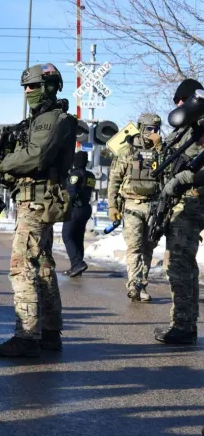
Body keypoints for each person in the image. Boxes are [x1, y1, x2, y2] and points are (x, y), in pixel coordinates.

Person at [0, 63, 75, 358]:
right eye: (25, 87)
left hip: (36, 203)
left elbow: (37, 156)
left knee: (22, 268)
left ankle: (27, 336)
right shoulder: (39, 120)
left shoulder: (52, 119)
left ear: (49, 86)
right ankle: (49, 333)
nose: (28, 92)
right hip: (34, 200)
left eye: (33, 86)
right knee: (43, 267)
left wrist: (2, 164)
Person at [154, 78, 204, 345]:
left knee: (178, 264)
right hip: (180, 201)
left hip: (191, 201)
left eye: (182, 100)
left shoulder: (200, 124)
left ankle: (183, 326)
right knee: (183, 264)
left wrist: (182, 179)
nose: (178, 106)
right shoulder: (185, 129)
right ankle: (185, 323)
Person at [107, 113, 163, 303]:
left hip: (154, 206)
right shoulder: (127, 151)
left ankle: (142, 284)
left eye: (156, 129)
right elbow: (114, 180)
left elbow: (169, 174)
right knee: (134, 246)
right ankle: (133, 283)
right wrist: (113, 206)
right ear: (140, 128)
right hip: (132, 205)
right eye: (149, 129)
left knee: (148, 248)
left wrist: (160, 148)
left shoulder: (161, 151)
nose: (153, 132)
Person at [62, 151, 95, 277]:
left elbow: (71, 193)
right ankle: (77, 267)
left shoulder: (75, 174)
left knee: (67, 236)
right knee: (77, 237)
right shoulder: (91, 175)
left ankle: (77, 263)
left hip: (75, 208)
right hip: (86, 208)